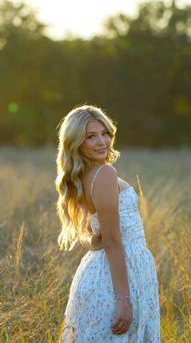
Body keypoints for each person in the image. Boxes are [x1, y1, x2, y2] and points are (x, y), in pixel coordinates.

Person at [55, 105, 160, 342]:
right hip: (118, 279)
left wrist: (92, 241)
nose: (102, 142)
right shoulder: (104, 173)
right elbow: (112, 241)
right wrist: (123, 299)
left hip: (103, 271)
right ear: (76, 142)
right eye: (91, 137)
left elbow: (86, 233)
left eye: (104, 133)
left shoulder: (81, 175)